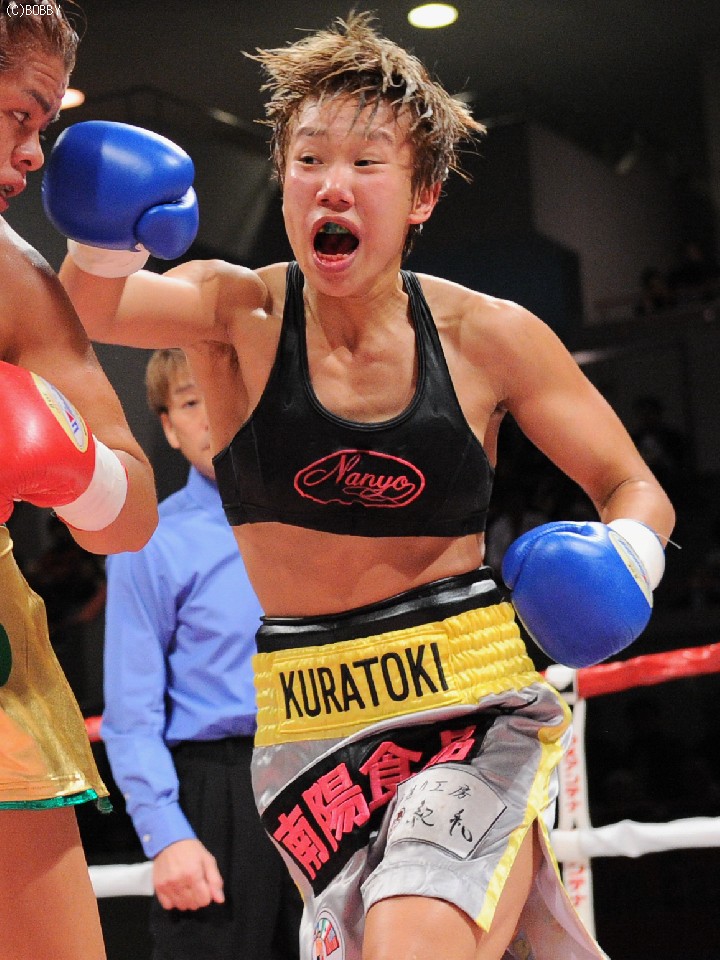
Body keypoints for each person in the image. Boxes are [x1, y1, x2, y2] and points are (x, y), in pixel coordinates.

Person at [49, 12, 675, 960]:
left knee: (413, 939)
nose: (331, 184)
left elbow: (631, 483)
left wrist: (625, 557)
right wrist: (104, 237)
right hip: (311, 730)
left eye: (366, 163)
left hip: (468, 706)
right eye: (308, 160)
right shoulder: (237, 310)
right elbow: (89, 310)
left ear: (423, 194)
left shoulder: (489, 336)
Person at [0, 6, 161, 960]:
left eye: (44, 126)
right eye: (18, 115)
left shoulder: (14, 282)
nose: (33, 153)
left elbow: (129, 511)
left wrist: (75, 466)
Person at [102, 348, 301, 960]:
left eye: (224, 391)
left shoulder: (317, 524)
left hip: (329, 770)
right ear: (168, 426)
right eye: (191, 402)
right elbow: (131, 710)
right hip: (219, 793)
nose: (212, 414)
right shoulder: (153, 541)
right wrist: (166, 834)